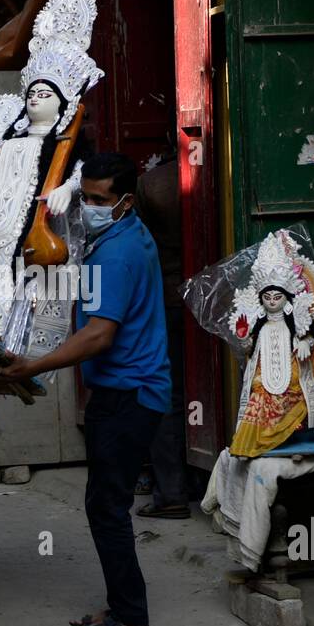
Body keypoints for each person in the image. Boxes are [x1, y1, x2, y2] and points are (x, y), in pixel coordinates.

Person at [2, 152, 171, 626]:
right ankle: (123, 606)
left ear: (125, 201)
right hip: (129, 391)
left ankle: (131, 618)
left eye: (101, 200)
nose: (91, 207)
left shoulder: (117, 251)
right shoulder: (121, 234)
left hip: (128, 396)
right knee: (106, 503)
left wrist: (34, 365)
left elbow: (99, 335)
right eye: (87, 198)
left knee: (107, 507)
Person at [133, 157, 193, 519]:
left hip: (167, 295)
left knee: (165, 395)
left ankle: (171, 491)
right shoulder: (215, 168)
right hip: (215, 295)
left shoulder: (153, 182)